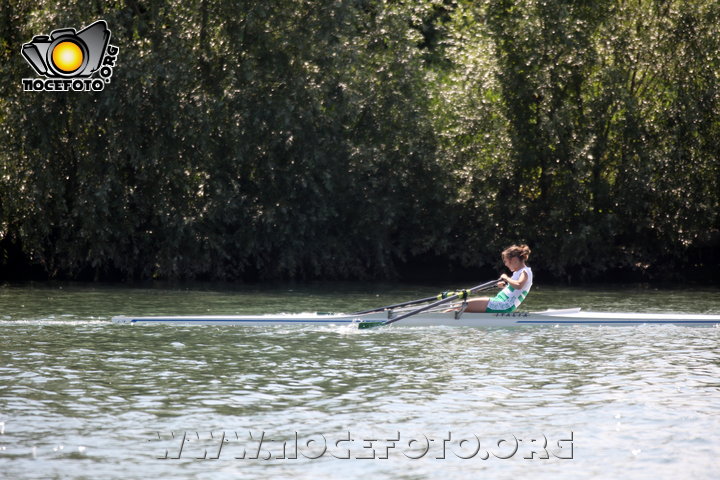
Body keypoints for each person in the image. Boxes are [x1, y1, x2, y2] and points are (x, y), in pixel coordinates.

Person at [464, 245, 533, 313]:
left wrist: (506, 278)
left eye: (506, 261)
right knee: (462, 305)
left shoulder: (525, 271)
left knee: (462, 305)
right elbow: (515, 291)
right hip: (500, 301)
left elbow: (519, 285)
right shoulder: (518, 272)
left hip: (504, 305)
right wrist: (505, 287)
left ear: (514, 260)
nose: (505, 264)